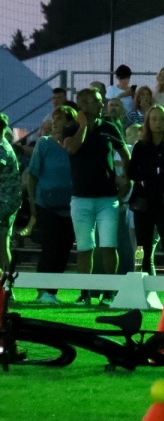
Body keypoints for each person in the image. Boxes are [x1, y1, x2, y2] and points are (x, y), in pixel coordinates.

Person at [65, 87, 130, 300]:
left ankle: (109, 292)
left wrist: (127, 179)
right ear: (83, 104)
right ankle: (85, 293)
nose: (102, 105)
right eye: (96, 101)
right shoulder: (71, 128)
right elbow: (72, 148)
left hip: (107, 198)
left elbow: (125, 154)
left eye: (101, 101)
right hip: (81, 198)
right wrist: (83, 125)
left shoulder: (110, 127)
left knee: (109, 246)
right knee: (85, 248)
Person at [20, 107, 77, 303]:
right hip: (47, 205)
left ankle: (52, 292)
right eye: (55, 119)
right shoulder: (43, 144)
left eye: (61, 119)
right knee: (50, 248)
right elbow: (33, 175)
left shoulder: (76, 145)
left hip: (71, 207)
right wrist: (32, 201)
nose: (57, 122)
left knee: (64, 249)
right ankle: (42, 290)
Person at [128, 105, 164, 275]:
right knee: (141, 246)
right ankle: (139, 279)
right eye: (153, 119)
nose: (158, 123)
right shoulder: (140, 146)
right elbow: (132, 171)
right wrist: (153, 174)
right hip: (142, 202)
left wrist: (146, 177)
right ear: (148, 122)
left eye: (161, 119)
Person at [0, 119, 19, 275]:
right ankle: (7, 288)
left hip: (3, 201)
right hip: (9, 201)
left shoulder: (2, 149)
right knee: (2, 244)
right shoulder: (4, 143)